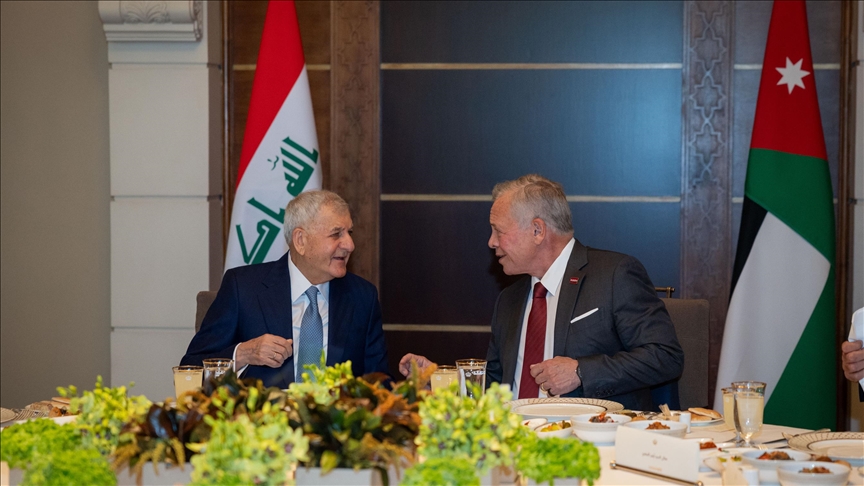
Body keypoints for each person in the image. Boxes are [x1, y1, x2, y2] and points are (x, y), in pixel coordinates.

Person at [401, 174, 684, 410]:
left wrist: (581, 372)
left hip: (588, 438)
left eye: (498, 231)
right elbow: (497, 385)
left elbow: (665, 356)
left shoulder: (613, 275)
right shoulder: (509, 299)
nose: (491, 242)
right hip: (512, 441)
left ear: (537, 230)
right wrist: (441, 382)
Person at [181, 190, 388, 388]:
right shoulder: (243, 288)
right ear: (300, 240)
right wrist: (244, 353)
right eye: (336, 234)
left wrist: (408, 381)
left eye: (349, 233)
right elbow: (190, 371)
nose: (350, 245)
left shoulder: (363, 297)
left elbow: (379, 383)